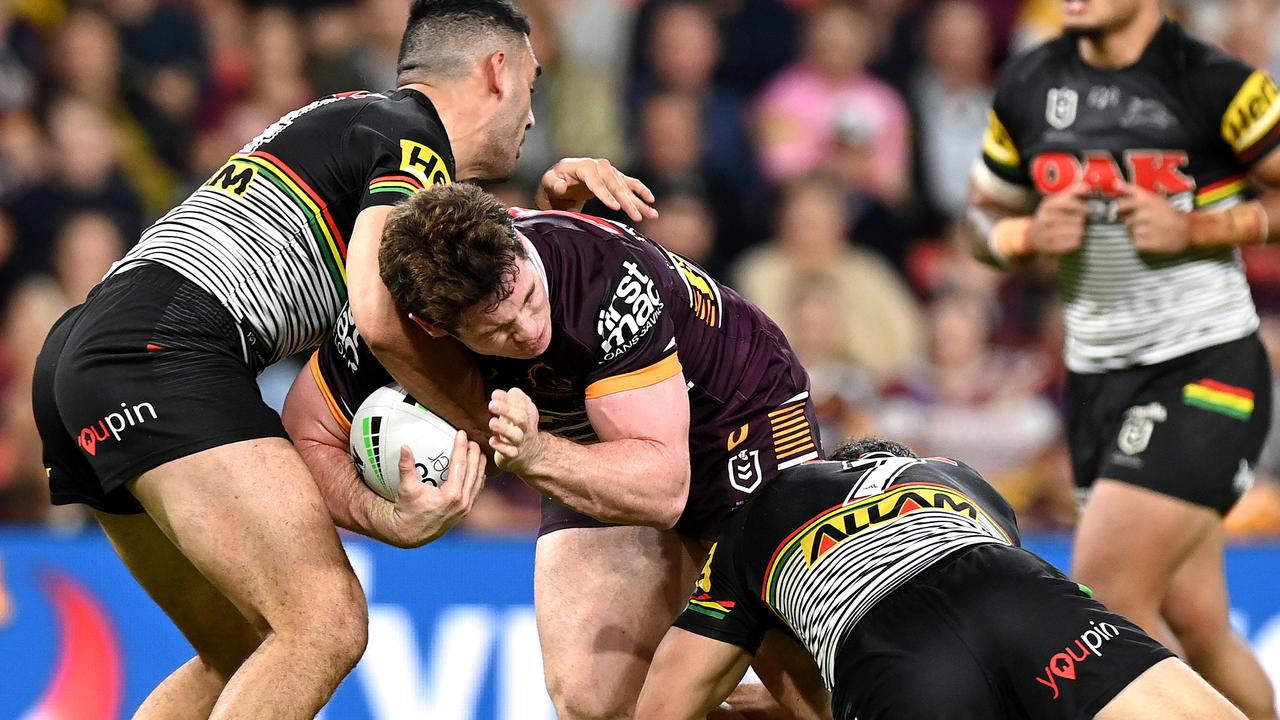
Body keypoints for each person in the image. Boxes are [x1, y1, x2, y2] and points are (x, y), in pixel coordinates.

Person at [30, 0, 653, 715]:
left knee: (243, 650)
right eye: (534, 90)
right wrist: (505, 438)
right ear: (497, 71)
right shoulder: (414, 138)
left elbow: (427, 270)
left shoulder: (359, 119)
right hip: (165, 349)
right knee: (323, 625)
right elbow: (380, 316)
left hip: (88, 352)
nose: (535, 119)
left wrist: (550, 221)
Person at [284, 182, 822, 718]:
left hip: (741, 412)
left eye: (529, 299)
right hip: (587, 434)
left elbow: (663, 489)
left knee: (805, 697)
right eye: (497, 330)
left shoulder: (605, 278)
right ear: (433, 327)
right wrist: (389, 519)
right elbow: (307, 434)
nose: (530, 330)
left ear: (516, 242)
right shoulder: (394, 327)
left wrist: (536, 454)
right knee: (597, 704)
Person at [964, 1, 1280, 717]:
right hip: (1098, 378)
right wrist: (1024, 235)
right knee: (1199, 626)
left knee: (1104, 602)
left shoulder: (1216, 83)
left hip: (1203, 365)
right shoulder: (1028, 83)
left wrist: (1200, 225)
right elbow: (981, 219)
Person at [634, 437, 1248, 720]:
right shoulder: (962, 480)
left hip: (882, 647)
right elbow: (996, 654)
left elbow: (668, 699)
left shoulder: (761, 511)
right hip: (1013, 590)